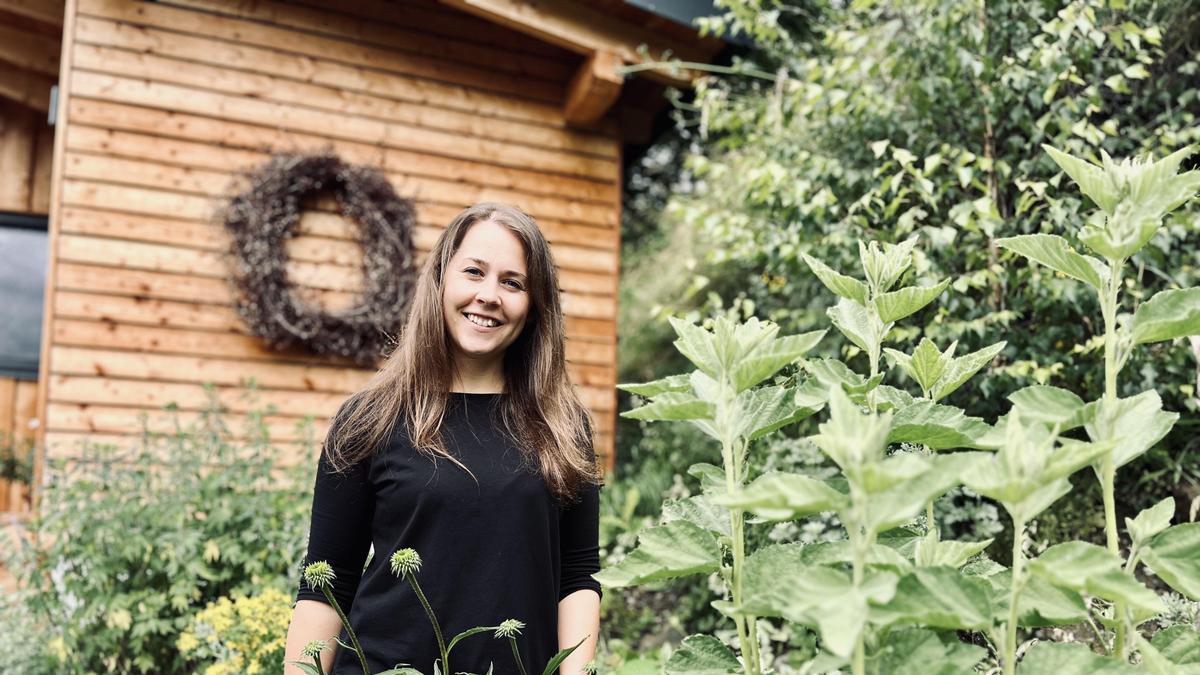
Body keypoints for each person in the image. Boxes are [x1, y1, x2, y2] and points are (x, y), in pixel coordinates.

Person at [283, 202, 603, 674]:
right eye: (474, 272)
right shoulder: (369, 418)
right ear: (440, 280)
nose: (489, 295)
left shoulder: (563, 427)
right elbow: (326, 584)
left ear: (535, 307)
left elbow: (577, 577)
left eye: (512, 282)